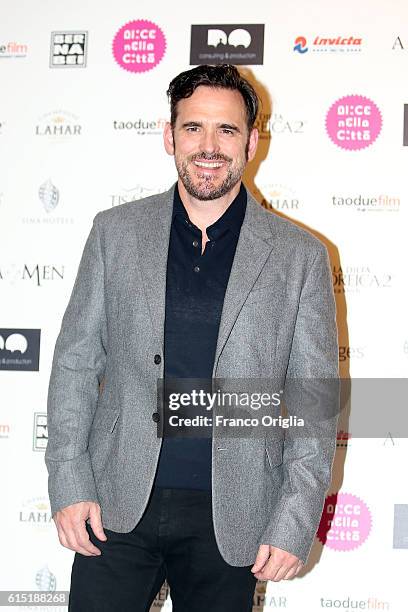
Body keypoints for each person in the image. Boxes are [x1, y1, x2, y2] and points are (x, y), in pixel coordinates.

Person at [45, 64, 339, 611]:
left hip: (234, 519)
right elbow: (76, 365)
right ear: (169, 135)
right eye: (193, 128)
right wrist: (68, 480)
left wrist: (295, 518)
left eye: (226, 130)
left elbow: (313, 402)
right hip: (113, 508)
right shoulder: (115, 233)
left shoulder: (299, 256)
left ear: (252, 141)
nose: (209, 146)